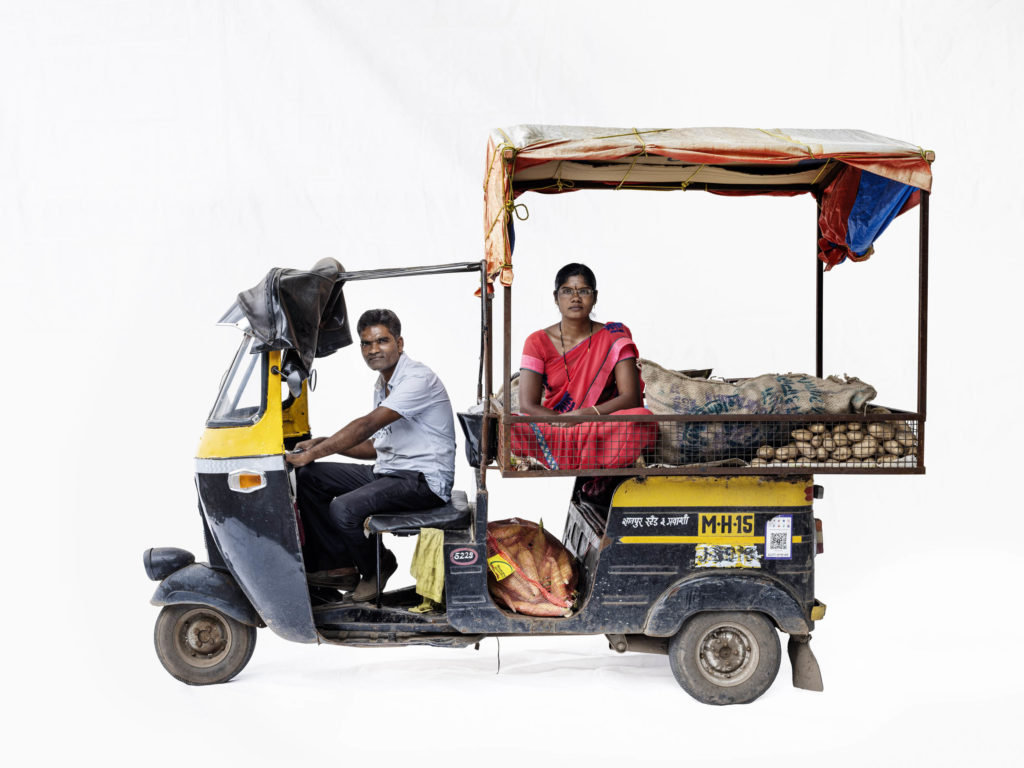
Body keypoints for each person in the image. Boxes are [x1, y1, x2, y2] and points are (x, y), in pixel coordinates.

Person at [286, 309, 456, 603]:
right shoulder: (382, 384)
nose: (373, 349)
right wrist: (325, 444)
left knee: (345, 509)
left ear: (399, 344)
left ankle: (377, 567)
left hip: (423, 481)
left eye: (382, 341)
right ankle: (338, 566)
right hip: (390, 471)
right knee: (309, 477)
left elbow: (367, 425)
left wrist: (315, 450)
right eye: (366, 343)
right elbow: (376, 446)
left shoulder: (417, 378)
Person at [512, 263, 656, 470]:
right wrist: (563, 422)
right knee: (514, 426)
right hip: (555, 425)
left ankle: (570, 452)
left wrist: (581, 416)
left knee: (641, 418)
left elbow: (631, 398)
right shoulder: (536, 341)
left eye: (584, 291)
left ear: (595, 297)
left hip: (601, 425)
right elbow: (527, 405)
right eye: (567, 291)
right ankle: (583, 451)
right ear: (556, 297)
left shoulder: (614, 335)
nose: (576, 298)